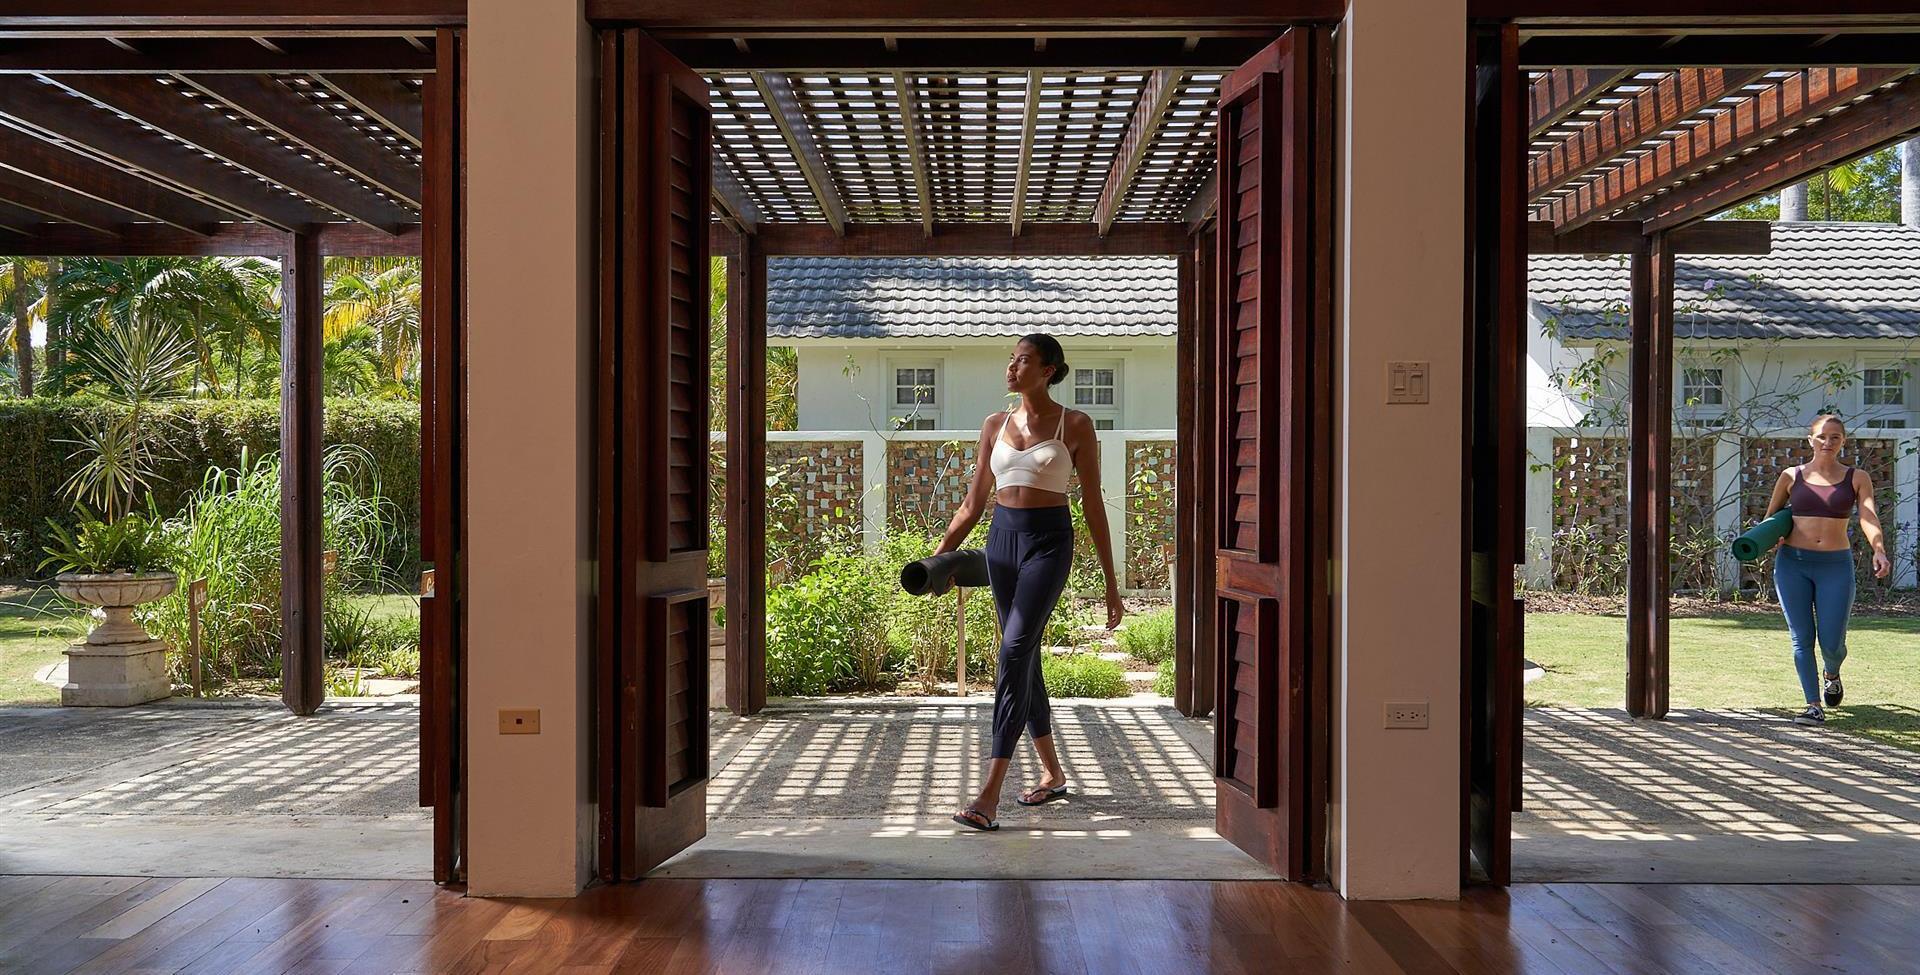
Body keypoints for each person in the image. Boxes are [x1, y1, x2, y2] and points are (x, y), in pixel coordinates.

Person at [937, 333, 1125, 832]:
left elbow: (1093, 506)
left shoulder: (1076, 425)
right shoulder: (994, 425)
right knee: (1026, 657)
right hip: (1002, 543)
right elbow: (973, 505)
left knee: (1014, 650)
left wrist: (1111, 579)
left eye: (1023, 361)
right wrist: (937, 559)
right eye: (1011, 359)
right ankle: (1053, 773)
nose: (1012, 367)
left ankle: (988, 794)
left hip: (1048, 544)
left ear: (1049, 370)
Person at [1762, 415, 1891, 727]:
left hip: (1835, 566)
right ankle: (1812, 705)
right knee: (1801, 637)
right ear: (1810, 440)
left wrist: (1878, 549)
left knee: (1832, 642)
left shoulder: (1856, 477)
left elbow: (1868, 516)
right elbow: (1771, 518)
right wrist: (1767, 538)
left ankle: (1831, 673)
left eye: (1835, 437)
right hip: (1793, 565)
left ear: (1843, 441)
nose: (1828, 443)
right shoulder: (1791, 476)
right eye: (1821, 436)